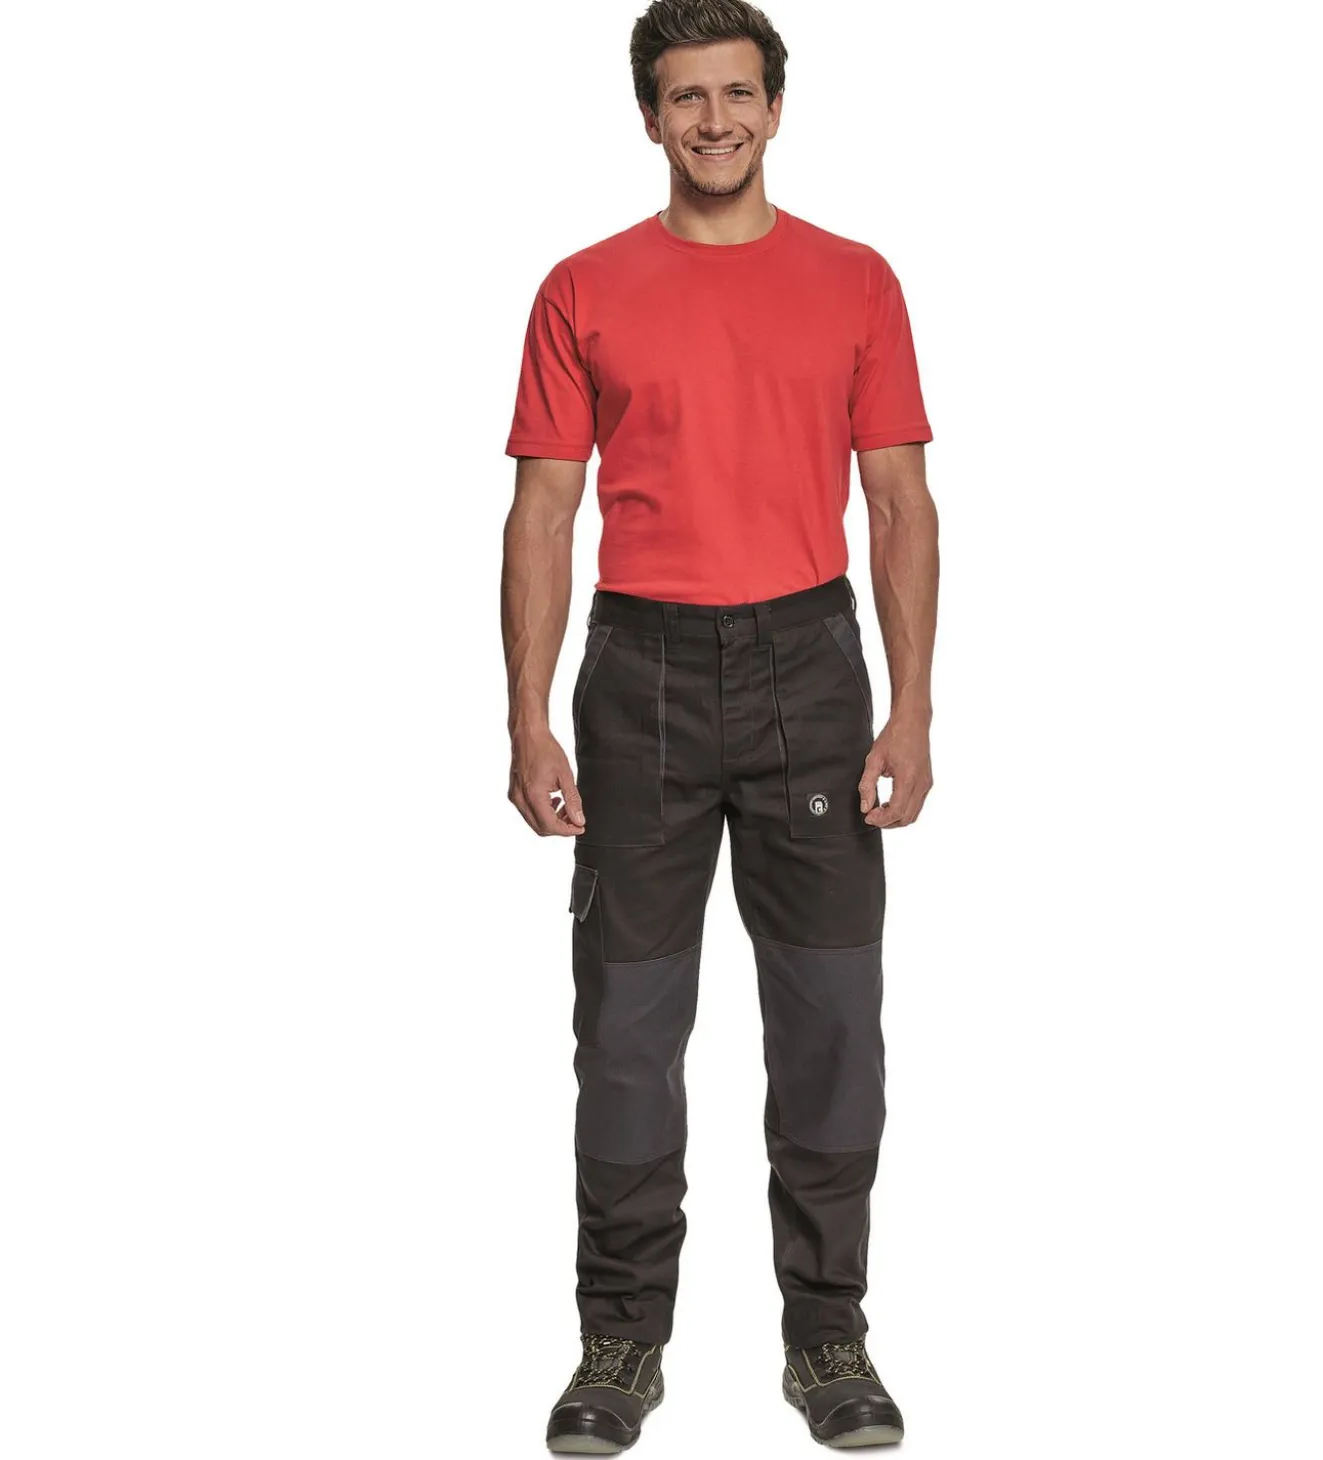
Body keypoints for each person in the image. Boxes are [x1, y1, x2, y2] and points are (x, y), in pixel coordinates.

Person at [500, 1, 938, 1449]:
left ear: (775, 108)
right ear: (649, 118)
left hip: (812, 666)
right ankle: (620, 1341)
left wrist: (912, 705)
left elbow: (899, 504)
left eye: (737, 94)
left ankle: (829, 1337)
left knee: (830, 1024)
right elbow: (543, 513)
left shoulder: (857, 281)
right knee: (627, 1030)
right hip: (642, 677)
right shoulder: (582, 288)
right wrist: (527, 720)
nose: (714, 121)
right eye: (685, 98)